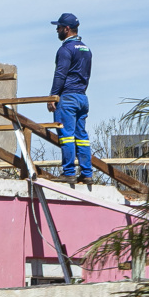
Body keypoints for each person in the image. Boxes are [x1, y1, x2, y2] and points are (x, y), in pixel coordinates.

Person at [48, 13, 93, 185]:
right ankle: (87, 173)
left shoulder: (65, 50)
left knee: (66, 136)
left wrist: (53, 96)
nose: (57, 30)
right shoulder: (86, 49)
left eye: (59, 27)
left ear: (67, 29)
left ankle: (68, 172)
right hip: (82, 97)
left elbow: (60, 74)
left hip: (67, 98)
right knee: (81, 136)